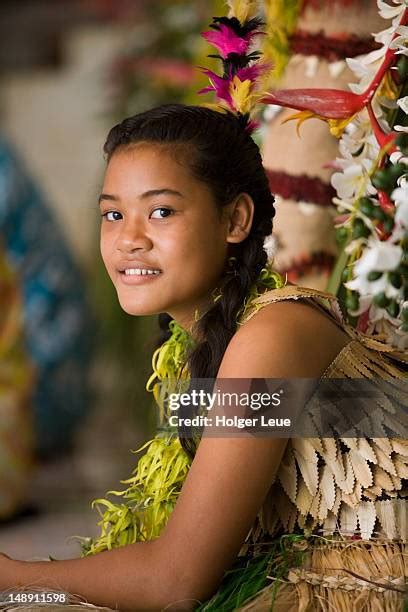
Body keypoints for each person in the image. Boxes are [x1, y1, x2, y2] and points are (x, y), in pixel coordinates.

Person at [0, 102, 406, 611]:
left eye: (162, 211)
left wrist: (14, 575)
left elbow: (175, 581)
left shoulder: (272, 335)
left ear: (235, 219)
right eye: (113, 214)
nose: (129, 239)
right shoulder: (194, 346)